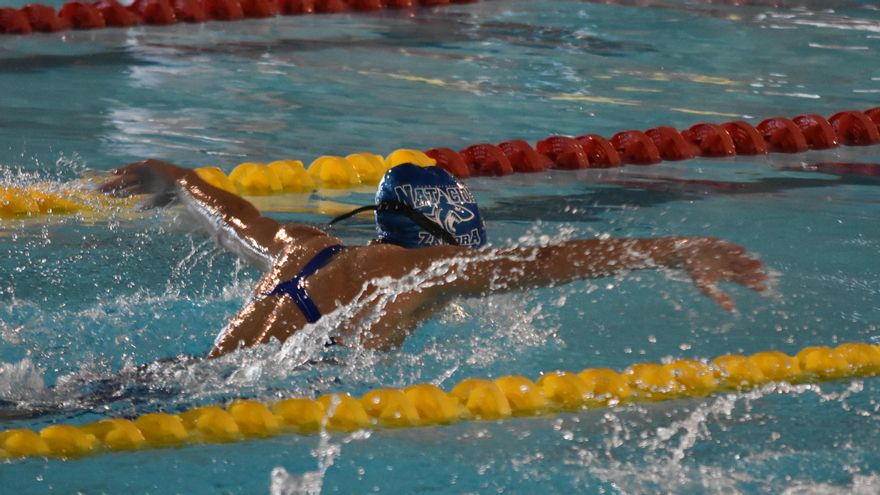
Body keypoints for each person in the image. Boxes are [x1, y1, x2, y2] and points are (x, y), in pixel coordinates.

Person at [101, 160, 767, 358]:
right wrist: (671, 250)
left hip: (179, 372)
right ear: (445, 237)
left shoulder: (301, 244)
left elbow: (235, 217)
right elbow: (543, 263)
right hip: (218, 401)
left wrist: (176, 177)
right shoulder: (417, 271)